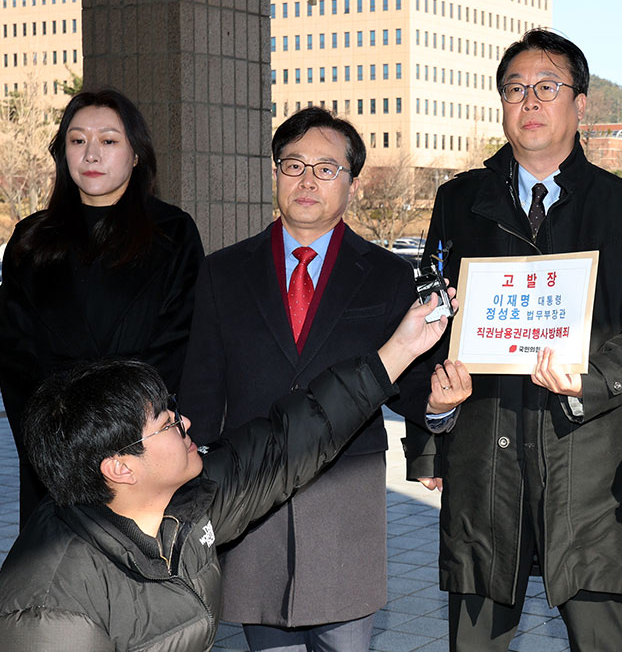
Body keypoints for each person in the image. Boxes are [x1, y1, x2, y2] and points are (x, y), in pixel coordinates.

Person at [405, 28, 622, 650]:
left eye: (547, 87)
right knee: (475, 640)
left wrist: (595, 379)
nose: (529, 101)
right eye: (515, 89)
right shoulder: (458, 202)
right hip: (483, 456)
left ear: (581, 103)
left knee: (599, 638)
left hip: (588, 456)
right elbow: (428, 318)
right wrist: (431, 432)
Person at [0, 295, 453, 652]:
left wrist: (400, 349)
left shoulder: (185, 503)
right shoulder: (49, 611)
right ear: (120, 467)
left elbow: (289, 441)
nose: (187, 424)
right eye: (167, 423)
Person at [178, 106, 466, 651]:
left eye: (327, 168)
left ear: (351, 183)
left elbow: (407, 384)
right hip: (251, 488)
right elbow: (201, 388)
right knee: (267, 642)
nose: (308, 180)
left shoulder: (386, 274)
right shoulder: (222, 271)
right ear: (276, 175)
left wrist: (439, 408)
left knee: (345, 642)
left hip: (342, 496)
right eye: (293, 165)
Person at [0, 88, 204, 528]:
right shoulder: (30, 240)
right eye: (77, 140)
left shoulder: (172, 234)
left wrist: (116, 433)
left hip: (137, 453)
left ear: (135, 154)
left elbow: (177, 344)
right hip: (55, 454)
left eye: (108, 141)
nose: (91, 153)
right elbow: (15, 358)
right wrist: (61, 441)